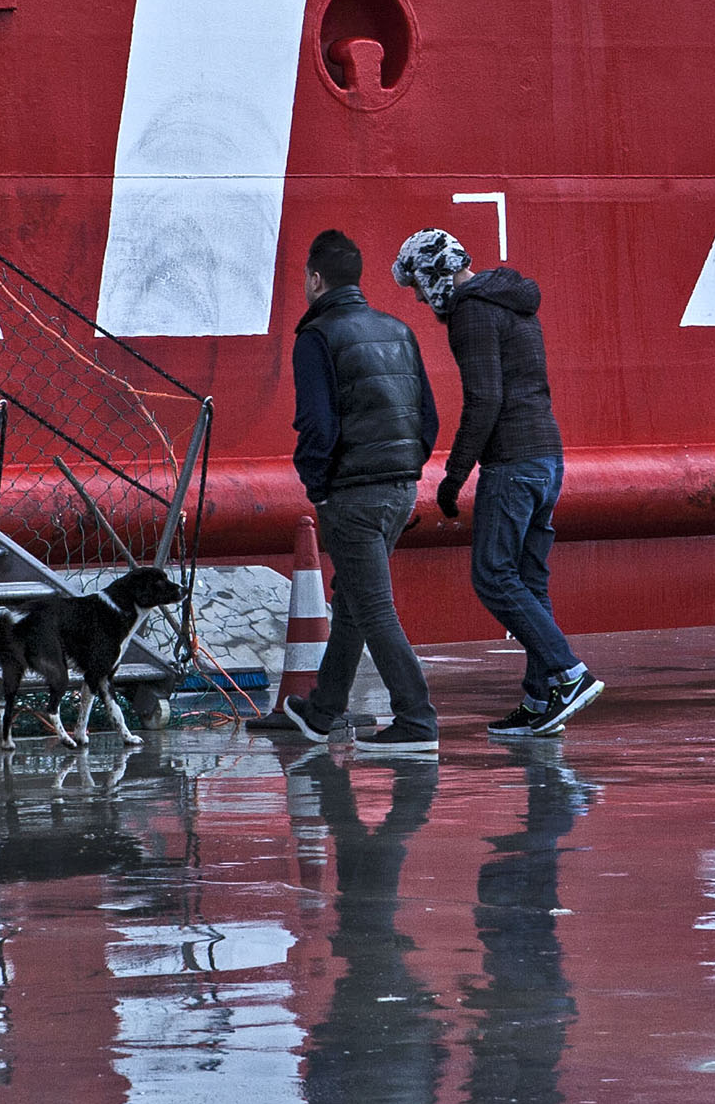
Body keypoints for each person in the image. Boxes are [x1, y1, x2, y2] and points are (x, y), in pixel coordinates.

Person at [392, 227, 601, 740]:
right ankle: (540, 699)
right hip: (547, 457)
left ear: (434, 275)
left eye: (416, 285)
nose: (418, 298)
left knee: (492, 574)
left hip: (512, 461)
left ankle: (568, 673)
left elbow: (484, 399)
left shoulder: (471, 311)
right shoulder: (513, 302)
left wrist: (454, 474)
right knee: (529, 580)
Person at [249, 228, 441, 753]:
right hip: (399, 489)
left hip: (352, 493)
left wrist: (319, 486)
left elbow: (318, 423)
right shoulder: (398, 330)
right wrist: (406, 468)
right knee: (354, 601)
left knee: (373, 607)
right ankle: (322, 711)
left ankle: (417, 719)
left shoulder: (317, 337)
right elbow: (427, 418)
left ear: (315, 279)